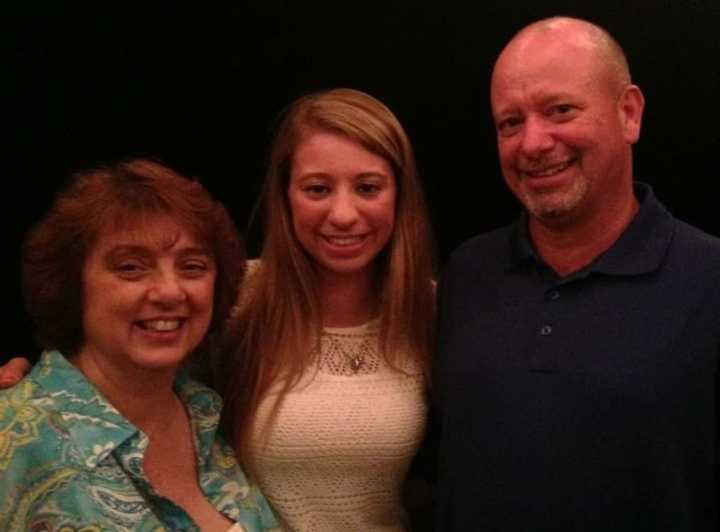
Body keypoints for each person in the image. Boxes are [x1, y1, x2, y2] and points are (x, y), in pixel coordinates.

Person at [434, 16, 720, 531]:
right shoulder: (467, 274)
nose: (533, 143)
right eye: (510, 123)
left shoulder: (710, 279)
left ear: (628, 114)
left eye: (559, 110)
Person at [0, 160, 278, 531]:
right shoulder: (14, 437)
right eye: (131, 267)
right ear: (71, 285)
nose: (169, 291)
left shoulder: (205, 413)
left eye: (192, 266)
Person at [212, 88, 437, 531]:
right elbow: (127, 383)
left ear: (399, 195)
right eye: (317, 188)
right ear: (286, 195)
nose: (343, 214)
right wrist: (37, 391)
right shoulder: (236, 296)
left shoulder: (432, 311)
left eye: (368, 187)